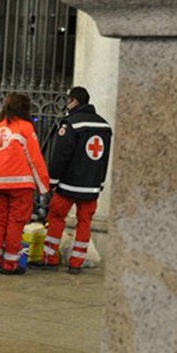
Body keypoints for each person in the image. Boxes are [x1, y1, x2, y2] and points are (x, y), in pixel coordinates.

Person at [44, 86, 112, 274]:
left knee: (56, 217)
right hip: (91, 186)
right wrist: (100, 183)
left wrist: (52, 180)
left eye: (68, 100)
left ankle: (50, 257)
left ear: (74, 101)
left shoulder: (71, 124)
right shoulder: (105, 126)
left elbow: (61, 156)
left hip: (68, 184)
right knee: (85, 223)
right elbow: (104, 158)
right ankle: (76, 262)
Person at [0, 93, 49, 274]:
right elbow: (34, 157)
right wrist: (43, 184)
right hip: (20, 183)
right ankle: (10, 264)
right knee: (16, 221)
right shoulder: (25, 128)